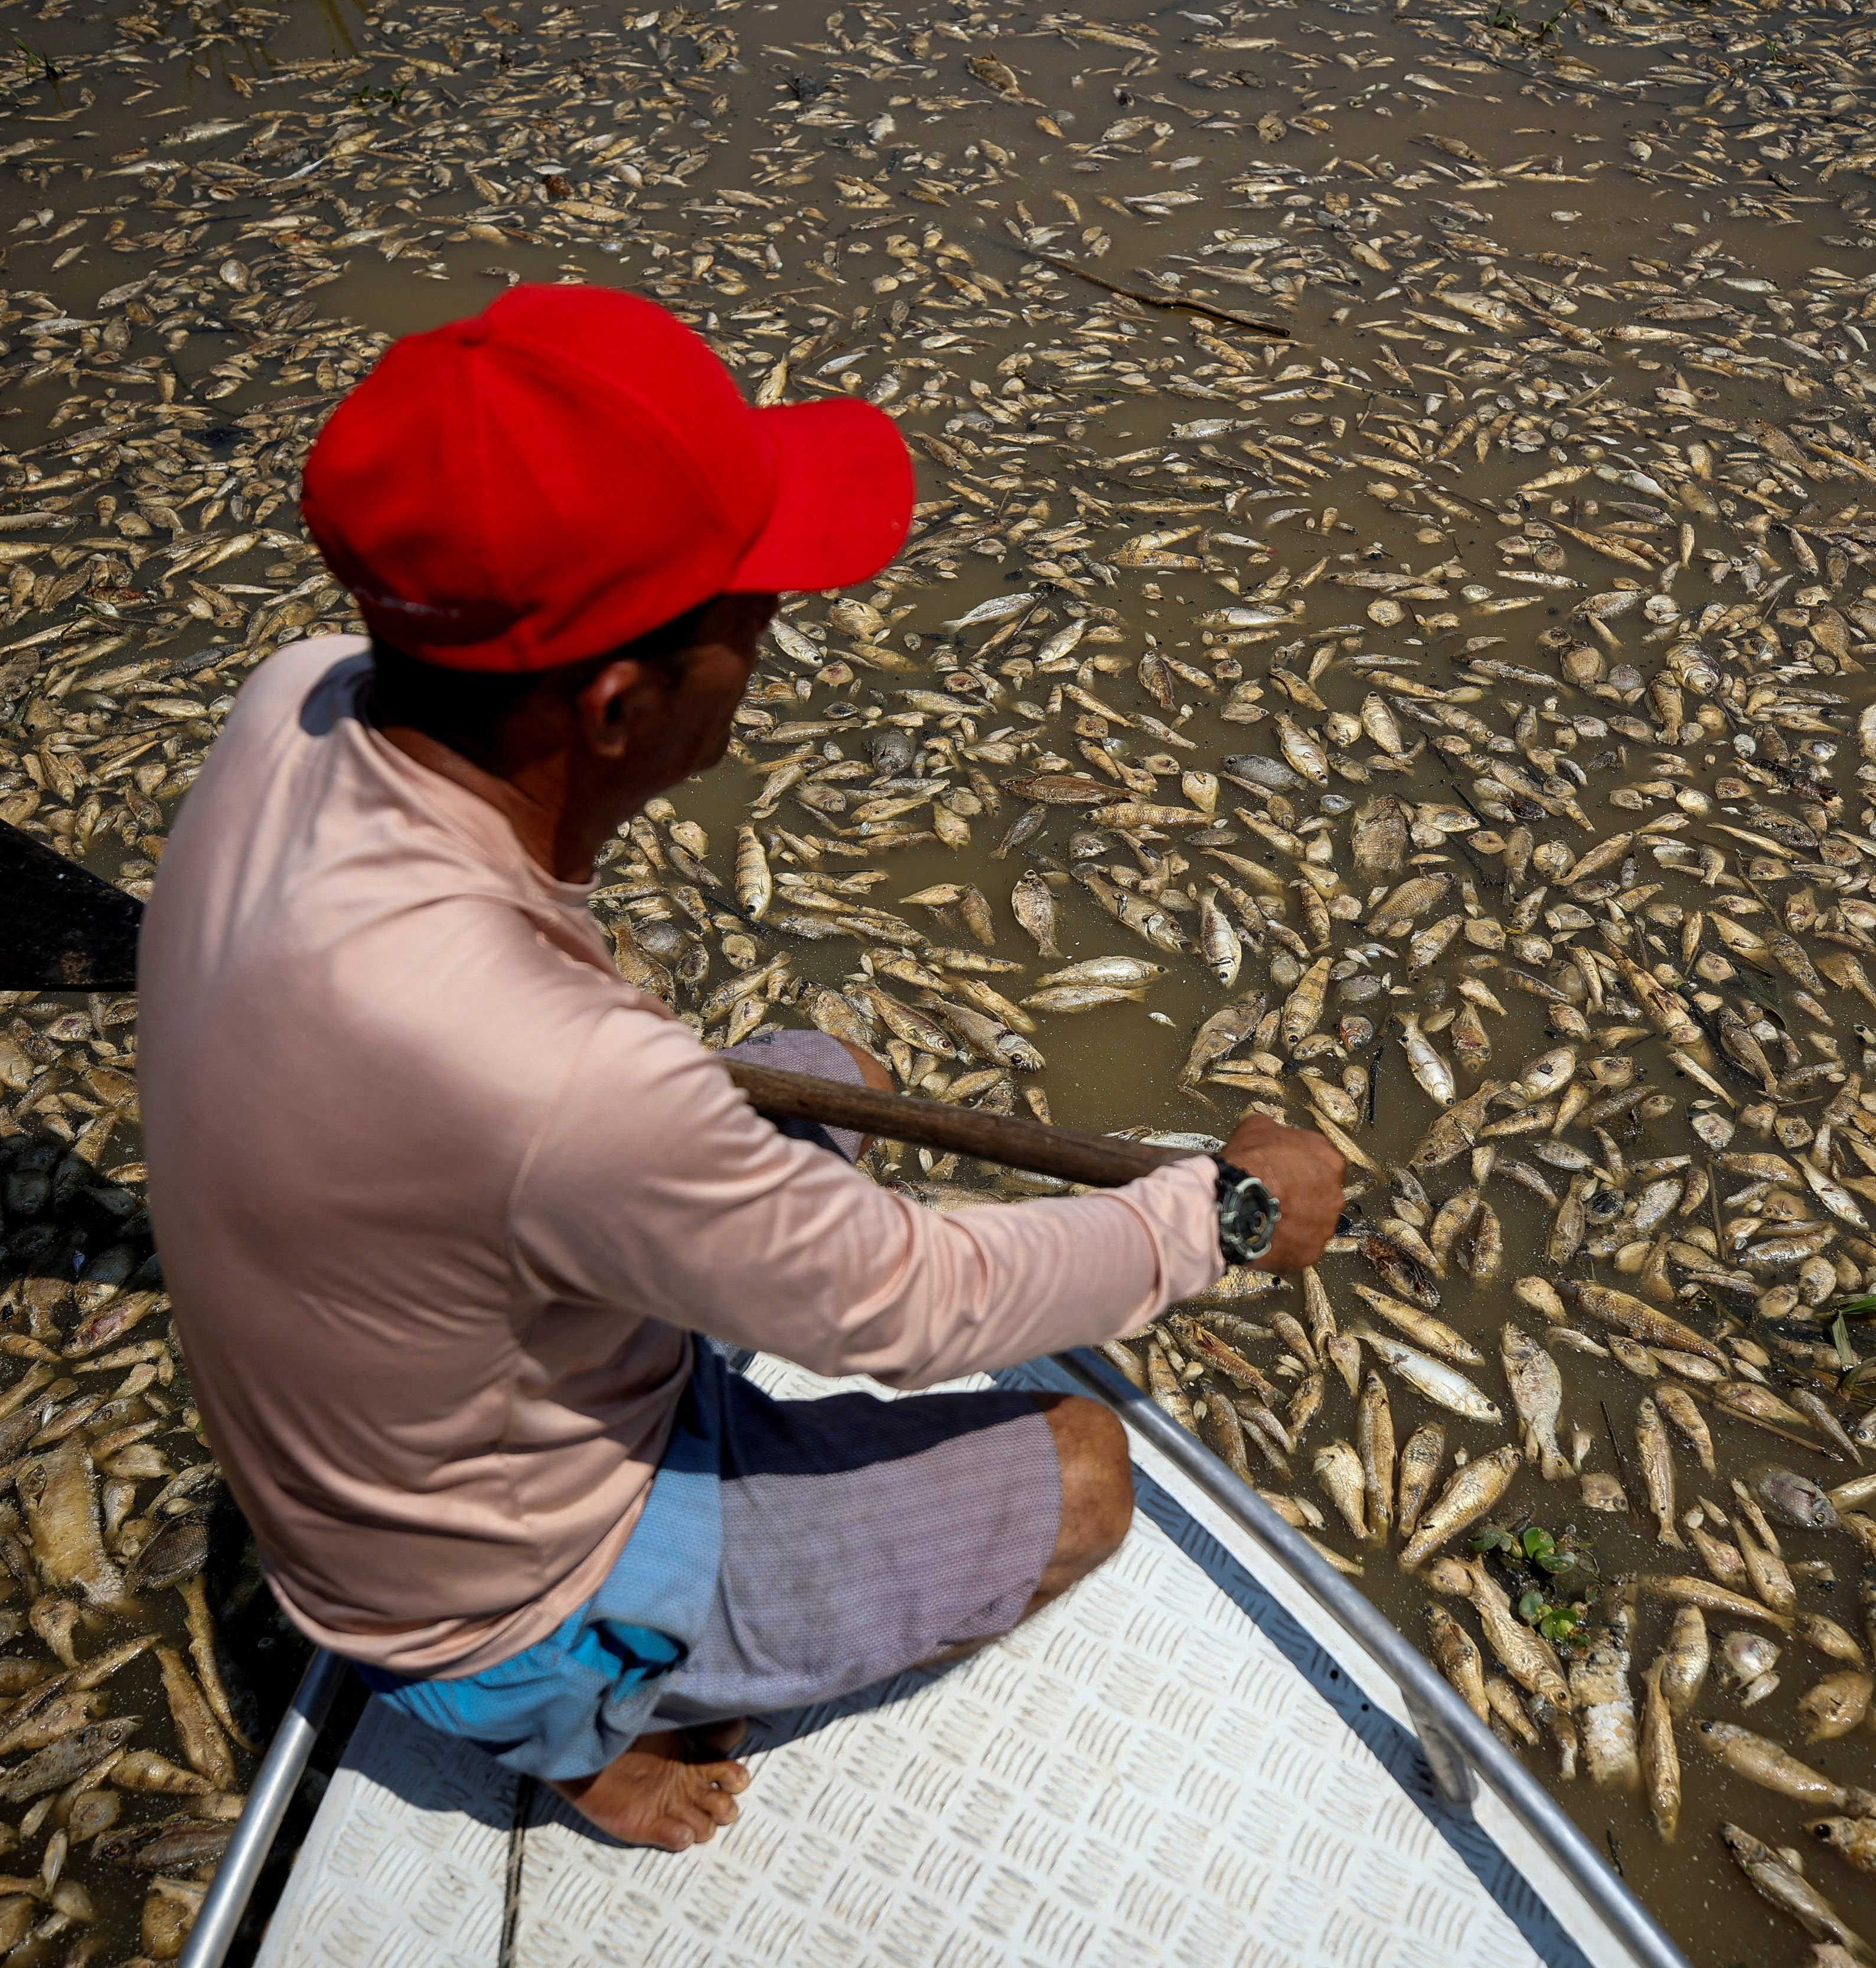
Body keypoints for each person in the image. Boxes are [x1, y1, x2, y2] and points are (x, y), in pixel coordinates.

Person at [136, 285, 1345, 1852]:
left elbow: (547, 1104)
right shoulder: (570, 1084)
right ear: (623, 704)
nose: (769, 647)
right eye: (751, 620)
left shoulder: (295, 698)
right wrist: (1226, 1217)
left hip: (433, 1349)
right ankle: (583, 1731)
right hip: (491, 1599)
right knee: (1087, 1472)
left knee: (815, 1066)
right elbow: (921, 1310)